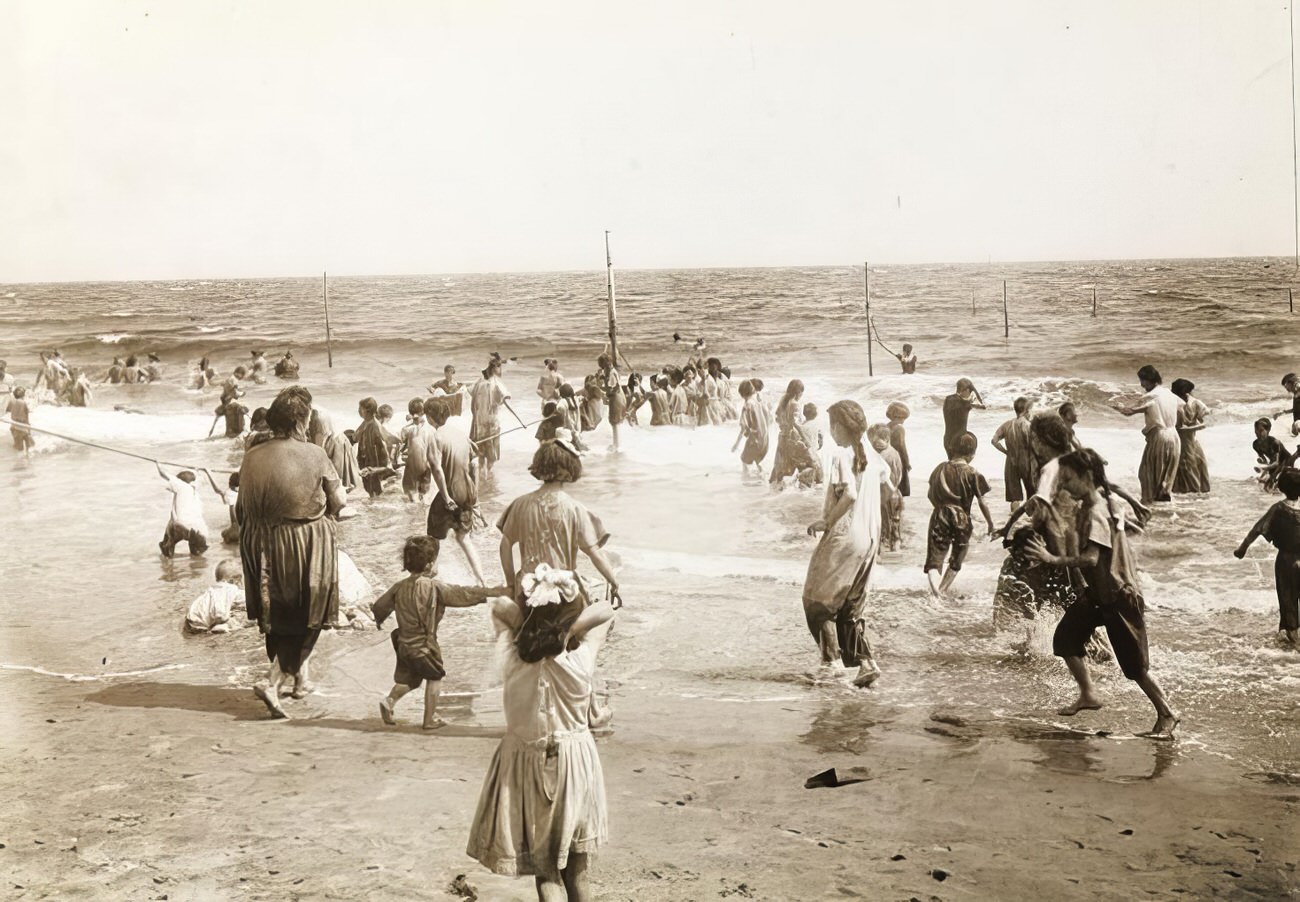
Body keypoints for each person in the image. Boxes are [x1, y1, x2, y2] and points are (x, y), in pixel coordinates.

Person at [466, 593, 616, 898]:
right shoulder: (579, 663)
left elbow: (498, 605)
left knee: (546, 872)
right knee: (578, 871)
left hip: (528, 764)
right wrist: (568, 631)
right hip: (575, 764)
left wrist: (529, 625)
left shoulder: (512, 661)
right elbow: (606, 610)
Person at [1026, 449, 1180, 738]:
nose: (1065, 485)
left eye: (1069, 479)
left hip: (1118, 595)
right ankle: (1088, 694)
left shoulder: (1096, 510)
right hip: (1098, 594)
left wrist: (1051, 559)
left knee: (1135, 667)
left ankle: (1167, 713)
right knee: (1066, 639)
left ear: (1087, 476)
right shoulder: (1106, 502)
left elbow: (1092, 559)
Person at [237, 386, 349, 717]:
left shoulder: (251, 456)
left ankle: (298, 682)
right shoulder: (314, 454)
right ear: (301, 420)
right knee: (310, 615)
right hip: (305, 540)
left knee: (278, 618)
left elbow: (241, 510)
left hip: (259, 542)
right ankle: (272, 682)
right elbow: (339, 502)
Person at [373, 536, 511, 729]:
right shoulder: (434, 586)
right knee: (435, 677)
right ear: (430, 565)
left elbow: (380, 606)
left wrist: (378, 621)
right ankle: (429, 720)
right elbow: (463, 594)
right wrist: (494, 592)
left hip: (404, 644)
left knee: (410, 680)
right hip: (424, 646)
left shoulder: (398, 587)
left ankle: (389, 701)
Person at [802, 400, 890, 687]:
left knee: (818, 602)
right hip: (869, 537)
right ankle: (866, 663)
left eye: (832, 426)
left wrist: (826, 521)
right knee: (851, 607)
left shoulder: (842, 456)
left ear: (841, 427)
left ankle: (831, 664)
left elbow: (849, 494)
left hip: (846, 534)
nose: (831, 433)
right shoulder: (876, 458)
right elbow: (891, 488)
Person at [496, 433, 621, 610]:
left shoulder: (519, 504)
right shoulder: (576, 509)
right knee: (603, 612)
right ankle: (570, 633)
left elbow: (505, 544)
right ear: (570, 470)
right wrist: (613, 581)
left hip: (526, 590)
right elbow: (594, 553)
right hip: (563, 593)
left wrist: (511, 584)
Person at [424, 397, 490, 586]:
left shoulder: (435, 436)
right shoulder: (461, 434)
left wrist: (445, 497)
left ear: (430, 417)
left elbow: (437, 469)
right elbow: (474, 465)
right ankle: (481, 579)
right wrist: (475, 498)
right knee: (463, 537)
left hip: (452, 492)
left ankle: (430, 574)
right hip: (468, 490)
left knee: (433, 535)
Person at [925, 432, 995, 600]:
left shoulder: (939, 468)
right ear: (972, 454)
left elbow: (930, 494)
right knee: (957, 558)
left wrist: (940, 508)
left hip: (940, 515)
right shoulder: (972, 473)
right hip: (963, 519)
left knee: (935, 557)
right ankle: (942, 590)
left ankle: (936, 592)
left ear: (951, 449)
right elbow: (982, 501)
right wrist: (990, 523)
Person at [1235, 468, 1300, 645]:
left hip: (1286, 560)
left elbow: (1258, 528)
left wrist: (1242, 549)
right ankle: (1288, 637)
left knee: (1288, 600)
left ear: (1282, 487)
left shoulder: (1279, 509)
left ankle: (1293, 640)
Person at [1117, 365, 1181, 504]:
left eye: (1143, 381)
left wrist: (1117, 407)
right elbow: (1182, 407)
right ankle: (1166, 508)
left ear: (1150, 380)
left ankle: (1149, 505)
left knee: (1147, 473)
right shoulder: (1169, 394)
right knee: (1166, 477)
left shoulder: (1150, 396)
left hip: (1160, 436)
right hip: (1174, 436)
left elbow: (1129, 412)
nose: (1141, 384)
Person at [471, 357, 515, 474]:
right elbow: (505, 396)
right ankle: (489, 478)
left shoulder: (479, 382)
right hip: (491, 424)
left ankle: (482, 477)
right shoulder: (495, 383)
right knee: (491, 457)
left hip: (479, 425)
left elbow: (470, 392)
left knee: (481, 455)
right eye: (499, 367)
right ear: (495, 369)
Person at [991, 397, 1035, 511]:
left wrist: (1006, 452)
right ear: (1026, 410)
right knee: (1031, 493)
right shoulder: (1028, 426)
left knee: (1014, 498)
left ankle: (1015, 522)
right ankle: (1031, 521)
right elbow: (1034, 445)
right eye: (1030, 410)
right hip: (1026, 462)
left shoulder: (1006, 424)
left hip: (1010, 462)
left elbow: (994, 441)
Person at [156, 464, 209, 558]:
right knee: (196, 550)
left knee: (169, 540)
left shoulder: (180, 485)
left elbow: (163, 474)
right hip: (196, 527)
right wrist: (200, 470)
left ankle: (167, 551)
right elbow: (203, 479)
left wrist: (158, 464)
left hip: (180, 524)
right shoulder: (194, 488)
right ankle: (195, 554)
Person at [308, 406, 361, 493]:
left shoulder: (317, 418)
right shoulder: (315, 413)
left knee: (337, 483)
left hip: (336, 445)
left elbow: (319, 449)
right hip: (338, 441)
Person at [1170, 378, 1210, 494]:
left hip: (1190, 440)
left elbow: (1204, 423)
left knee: (1194, 467)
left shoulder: (1195, 403)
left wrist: (1189, 429)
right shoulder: (1174, 404)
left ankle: (1195, 494)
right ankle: (1186, 494)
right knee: (1184, 468)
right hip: (1179, 440)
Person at [185, 560, 246, 633]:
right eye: (240, 580)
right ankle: (222, 626)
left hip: (191, 622)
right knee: (246, 616)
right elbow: (219, 613)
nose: (241, 584)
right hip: (209, 623)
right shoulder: (231, 588)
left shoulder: (210, 591)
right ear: (232, 581)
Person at [870, 423, 903, 551]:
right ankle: (895, 544)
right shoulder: (894, 453)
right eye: (874, 442)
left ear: (887, 440)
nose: (877, 444)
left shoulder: (880, 455)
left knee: (885, 519)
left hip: (884, 492)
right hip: (893, 491)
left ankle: (885, 544)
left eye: (879, 442)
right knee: (893, 519)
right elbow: (899, 473)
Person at [769, 379, 806, 485]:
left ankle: (773, 488)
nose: (801, 395)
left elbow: (776, 417)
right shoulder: (795, 404)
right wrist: (804, 435)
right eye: (801, 393)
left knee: (779, 465)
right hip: (791, 437)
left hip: (782, 436)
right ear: (798, 392)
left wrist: (783, 425)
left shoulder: (783, 400)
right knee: (798, 464)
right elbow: (795, 423)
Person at [355, 397, 393, 498]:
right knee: (369, 488)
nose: (358, 410)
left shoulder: (375, 426)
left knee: (375, 489)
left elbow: (383, 451)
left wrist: (377, 469)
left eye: (360, 408)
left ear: (367, 411)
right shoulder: (366, 423)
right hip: (366, 461)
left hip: (374, 464)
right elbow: (356, 436)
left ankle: (375, 505)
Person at [400, 398, 436, 503]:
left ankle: (414, 508)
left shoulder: (406, 429)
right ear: (424, 412)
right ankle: (422, 508)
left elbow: (401, 445)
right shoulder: (431, 429)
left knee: (411, 492)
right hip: (426, 464)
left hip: (411, 465)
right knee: (424, 493)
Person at [942, 378, 986, 458]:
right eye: (969, 392)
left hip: (947, 440)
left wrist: (970, 400)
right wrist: (974, 399)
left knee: (952, 464)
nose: (970, 394)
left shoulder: (948, 399)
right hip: (959, 441)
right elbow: (982, 406)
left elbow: (960, 403)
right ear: (965, 390)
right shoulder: (966, 404)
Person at [735, 380, 769, 476]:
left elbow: (743, 428)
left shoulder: (747, 406)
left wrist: (736, 444)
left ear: (742, 394)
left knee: (744, 460)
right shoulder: (759, 402)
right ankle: (762, 479)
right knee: (758, 460)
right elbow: (768, 419)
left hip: (754, 439)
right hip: (765, 438)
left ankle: (746, 481)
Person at [1253, 417, 1295, 492]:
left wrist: (1263, 468)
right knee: (1263, 484)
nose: (1258, 433)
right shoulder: (1255, 444)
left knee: (1274, 484)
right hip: (1274, 462)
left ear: (1268, 430)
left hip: (1286, 462)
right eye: (1256, 430)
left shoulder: (1275, 443)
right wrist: (1261, 461)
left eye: (1261, 430)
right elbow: (1265, 460)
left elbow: (1276, 463)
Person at [792, 402, 825, 487]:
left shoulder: (802, 426)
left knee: (804, 484)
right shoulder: (818, 426)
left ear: (804, 413)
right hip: (815, 455)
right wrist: (816, 448)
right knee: (819, 482)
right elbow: (821, 442)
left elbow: (797, 444)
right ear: (815, 414)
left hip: (805, 457)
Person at [204, 469, 241, 544]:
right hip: (245, 531)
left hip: (236, 530)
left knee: (223, 534)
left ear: (229, 483)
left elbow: (216, 489)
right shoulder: (245, 494)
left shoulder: (228, 494)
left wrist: (208, 472)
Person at [886, 402, 912, 497]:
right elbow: (902, 447)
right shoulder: (899, 428)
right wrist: (907, 462)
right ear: (896, 416)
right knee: (901, 486)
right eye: (901, 418)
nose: (903, 421)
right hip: (899, 459)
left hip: (888, 457)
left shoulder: (886, 426)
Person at [5, 386, 34, 456]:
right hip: (22, 428)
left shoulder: (12, 401)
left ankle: (18, 463)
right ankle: (25, 463)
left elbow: (8, 412)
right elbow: (23, 418)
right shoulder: (22, 403)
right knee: (30, 447)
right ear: (23, 395)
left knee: (19, 449)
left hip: (14, 427)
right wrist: (28, 429)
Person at [1276, 373, 1300, 437]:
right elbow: (1295, 409)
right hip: (1297, 421)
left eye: (1286, 387)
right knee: (1294, 431)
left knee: (1297, 426)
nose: (1288, 391)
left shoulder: (1298, 391)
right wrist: (1283, 412)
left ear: (1291, 383)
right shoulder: (1296, 394)